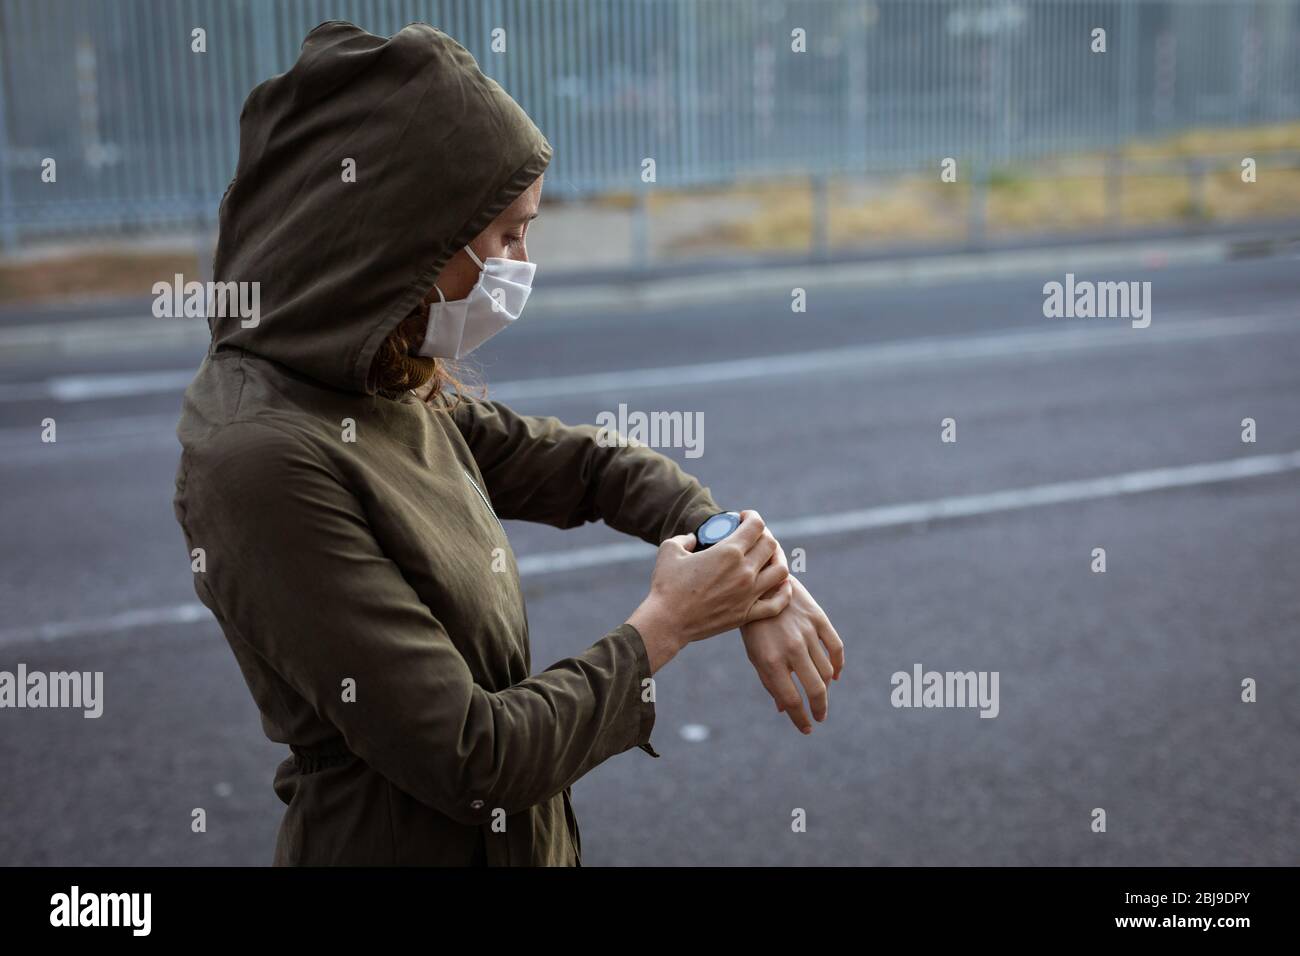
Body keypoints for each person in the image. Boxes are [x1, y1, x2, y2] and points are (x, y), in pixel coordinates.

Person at [172, 20, 843, 866]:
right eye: (506, 236)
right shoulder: (263, 460)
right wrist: (666, 625)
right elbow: (472, 755)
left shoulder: (372, 377)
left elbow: (587, 466)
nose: (524, 262)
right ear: (405, 242)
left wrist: (741, 561)